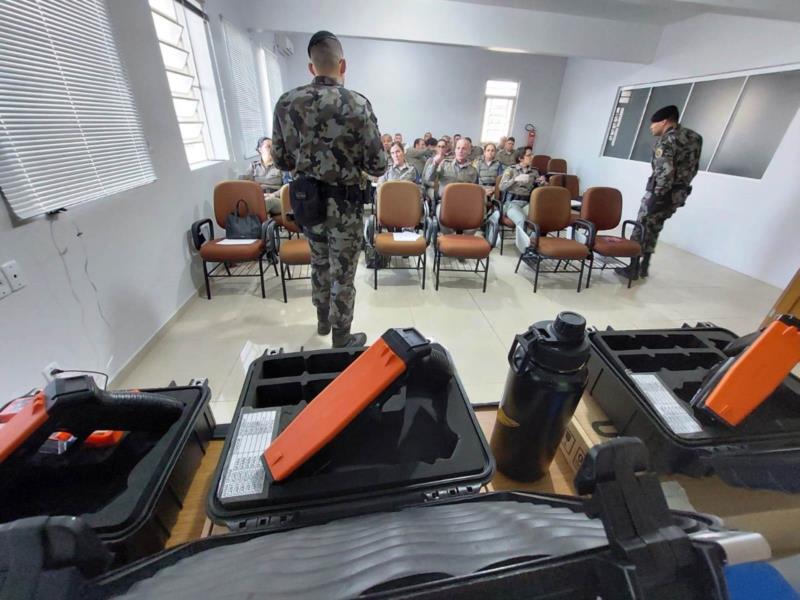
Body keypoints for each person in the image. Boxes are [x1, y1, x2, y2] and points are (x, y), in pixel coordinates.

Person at [272, 30, 386, 348]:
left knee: (319, 260)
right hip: (345, 207)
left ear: (311, 67)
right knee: (343, 271)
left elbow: (280, 160)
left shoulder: (286, 103)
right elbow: (378, 166)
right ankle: (342, 335)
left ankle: (322, 320)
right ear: (342, 64)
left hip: (308, 203)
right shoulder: (358, 104)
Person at [616, 105, 702, 281]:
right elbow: (693, 168)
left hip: (661, 192)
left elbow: (665, 171)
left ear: (664, 121)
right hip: (679, 193)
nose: (651, 127)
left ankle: (633, 268)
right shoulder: (694, 138)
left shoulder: (666, 140)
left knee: (641, 228)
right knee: (655, 228)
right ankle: (644, 267)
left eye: (653, 123)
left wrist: (657, 196)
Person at [499, 147, 545, 228]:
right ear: (520, 158)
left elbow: (539, 189)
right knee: (521, 220)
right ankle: (523, 240)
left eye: (532, 155)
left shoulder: (534, 172)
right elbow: (501, 187)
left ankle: (530, 240)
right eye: (529, 155)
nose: (532, 157)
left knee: (537, 221)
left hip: (527, 203)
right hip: (512, 203)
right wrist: (514, 179)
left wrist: (542, 182)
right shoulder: (511, 170)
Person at [241, 136, 284, 216]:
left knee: (268, 201)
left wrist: (274, 194)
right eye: (268, 147)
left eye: (273, 146)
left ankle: (250, 224)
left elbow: (287, 186)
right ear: (260, 150)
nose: (272, 149)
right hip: (259, 197)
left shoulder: (280, 165)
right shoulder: (254, 166)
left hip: (277, 199)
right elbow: (242, 182)